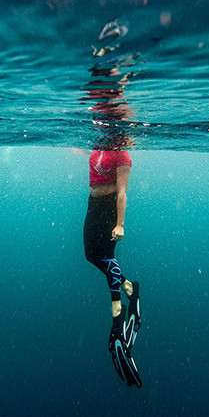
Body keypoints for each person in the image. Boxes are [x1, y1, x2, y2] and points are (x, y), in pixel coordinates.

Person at [83, 137, 142, 388]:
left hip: (108, 209)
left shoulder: (123, 156)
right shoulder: (100, 142)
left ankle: (117, 316)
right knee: (90, 255)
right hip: (92, 204)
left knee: (106, 256)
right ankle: (130, 288)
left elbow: (122, 192)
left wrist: (120, 224)